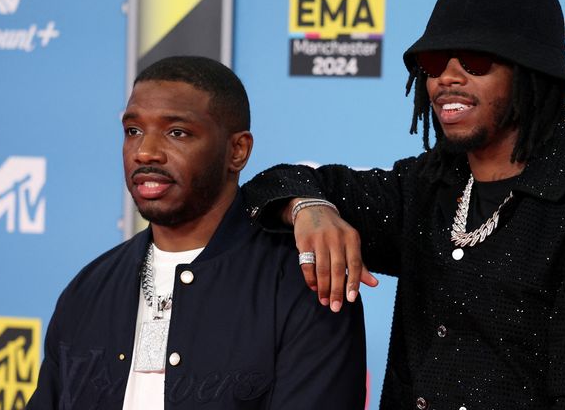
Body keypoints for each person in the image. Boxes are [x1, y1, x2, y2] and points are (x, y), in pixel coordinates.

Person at [243, 0, 565, 408]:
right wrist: (311, 207)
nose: (446, 79)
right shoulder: (427, 185)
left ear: (531, 71)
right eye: (434, 62)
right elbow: (270, 186)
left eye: (474, 60)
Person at [26, 56, 366, 409]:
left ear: (237, 150)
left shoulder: (305, 285)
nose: (145, 152)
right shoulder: (87, 290)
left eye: (177, 133)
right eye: (133, 131)